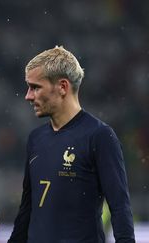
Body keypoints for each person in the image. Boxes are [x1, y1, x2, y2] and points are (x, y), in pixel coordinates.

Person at [8, 46, 135, 242]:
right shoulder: (36, 138)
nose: (28, 96)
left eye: (35, 87)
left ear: (63, 87)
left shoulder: (99, 136)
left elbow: (120, 206)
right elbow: (27, 209)